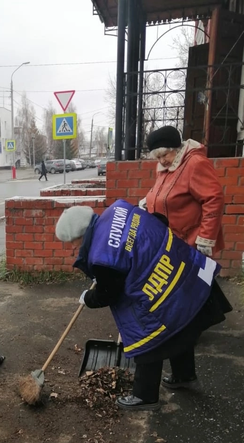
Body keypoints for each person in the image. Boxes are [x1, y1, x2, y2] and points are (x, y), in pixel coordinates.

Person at [55, 201, 232, 411]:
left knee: (147, 334)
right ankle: (184, 376)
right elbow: (160, 220)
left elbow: (108, 294)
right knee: (181, 327)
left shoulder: (102, 257)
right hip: (183, 271)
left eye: (71, 243)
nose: (72, 248)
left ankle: (145, 397)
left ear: (80, 236)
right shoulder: (118, 210)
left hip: (164, 289)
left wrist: (89, 298)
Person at [140, 126, 224, 256]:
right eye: (158, 157)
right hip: (173, 240)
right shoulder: (165, 166)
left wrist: (206, 238)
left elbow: (213, 199)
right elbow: (166, 190)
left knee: (195, 275)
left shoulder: (195, 163)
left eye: (164, 155)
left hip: (190, 241)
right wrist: (150, 201)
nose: (162, 161)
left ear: (176, 149)